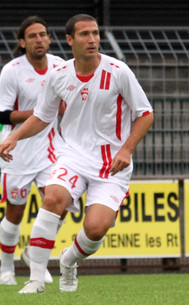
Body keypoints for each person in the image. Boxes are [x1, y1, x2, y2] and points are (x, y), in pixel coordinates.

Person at [0, 14, 154, 293]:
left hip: (111, 165)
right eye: (85, 34)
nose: (92, 39)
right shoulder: (59, 75)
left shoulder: (118, 71)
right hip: (72, 155)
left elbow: (146, 114)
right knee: (53, 198)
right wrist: (14, 135)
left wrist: (127, 150)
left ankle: (69, 260)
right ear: (70, 40)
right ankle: (35, 279)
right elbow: (42, 116)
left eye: (95, 33)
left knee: (96, 229)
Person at [0, 16, 66, 286]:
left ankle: (34, 255)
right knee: (15, 212)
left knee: (59, 203)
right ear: (22, 42)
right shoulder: (12, 71)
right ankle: (6, 269)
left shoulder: (61, 66)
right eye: (33, 36)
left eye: (43, 34)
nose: (39, 40)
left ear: (49, 38)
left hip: (51, 150)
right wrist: (41, 112)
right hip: (17, 151)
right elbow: (2, 115)